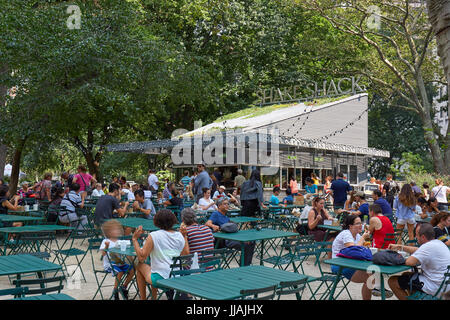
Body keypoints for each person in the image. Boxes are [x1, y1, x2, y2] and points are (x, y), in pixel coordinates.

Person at [132, 209, 189, 300]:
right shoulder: (179, 235)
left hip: (161, 278)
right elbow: (185, 254)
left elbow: (142, 257)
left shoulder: (154, 235)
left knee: (140, 266)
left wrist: (135, 239)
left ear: (157, 221)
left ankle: (144, 299)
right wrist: (185, 236)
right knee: (152, 268)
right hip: (177, 276)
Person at [388, 223, 450, 300]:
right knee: (406, 275)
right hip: (445, 285)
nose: (415, 237)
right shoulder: (438, 243)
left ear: (423, 237)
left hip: (435, 287)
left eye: (416, 235)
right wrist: (401, 247)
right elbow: (419, 250)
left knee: (393, 281)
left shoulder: (427, 247)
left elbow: (409, 262)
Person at [331, 214, 372, 300]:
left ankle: (376, 287)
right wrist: (364, 237)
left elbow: (366, 249)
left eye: (361, 223)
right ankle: (377, 287)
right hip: (338, 264)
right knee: (371, 277)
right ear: (350, 226)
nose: (361, 225)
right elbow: (354, 251)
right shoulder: (346, 234)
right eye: (357, 223)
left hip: (351, 263)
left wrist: (366, 239)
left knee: (373, 272)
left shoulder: (357, 235)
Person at [205, 198, 255, 266]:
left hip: (231, 238)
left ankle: (245, 265)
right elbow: (207, 223)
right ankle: (244, 267)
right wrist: (214, 226)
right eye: (225, 204)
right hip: (223, 241)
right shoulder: (216, 214)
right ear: (219, 206)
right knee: (246, 245)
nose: (227, 205)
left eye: (228, 204)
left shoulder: (226, 217)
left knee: (251, 242)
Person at [100, 219, 135, 300]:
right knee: (120, 272)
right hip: (109, 265)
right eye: (115, 229)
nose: (118, 231)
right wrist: (106, 247)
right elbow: (103, 254)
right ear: (108, 232)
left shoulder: (120, 241)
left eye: (118, 229)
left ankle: (124, 287)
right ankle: (115, 291)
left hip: (120, 263)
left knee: (132, 270)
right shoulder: (105, 241)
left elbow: (125, 252)